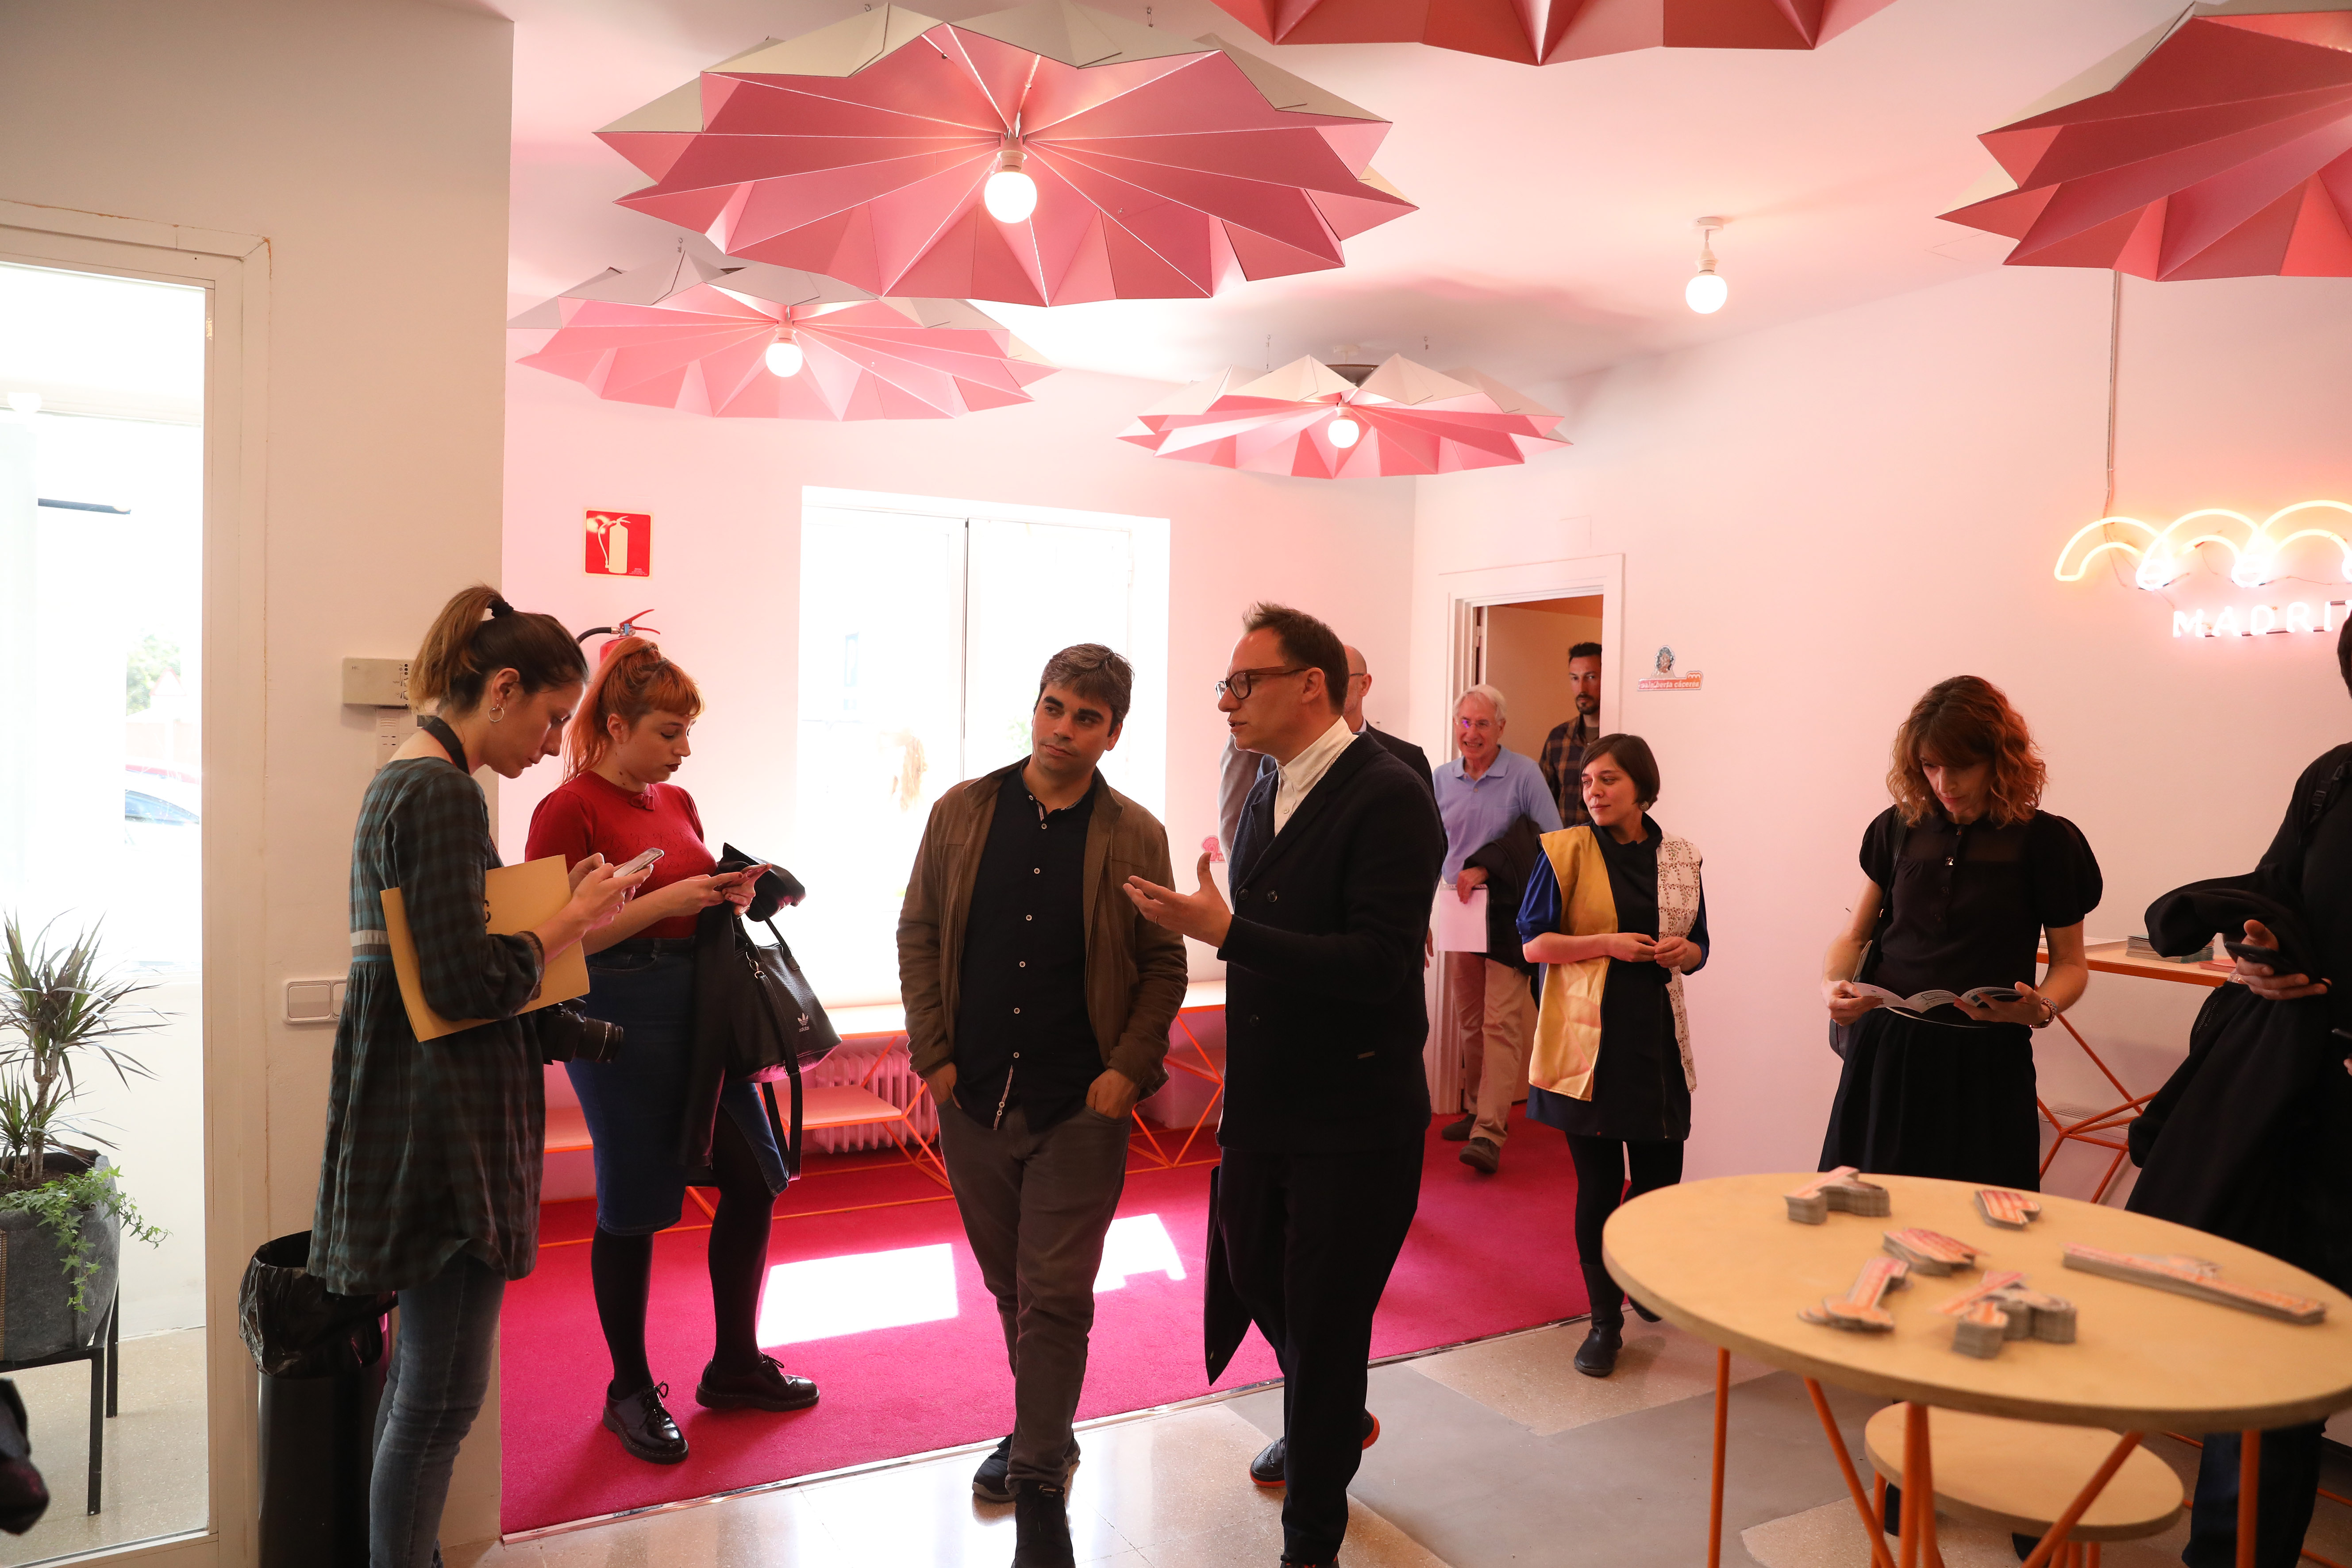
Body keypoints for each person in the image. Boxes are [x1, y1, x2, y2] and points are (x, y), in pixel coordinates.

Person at [311, 586, 646, 1568]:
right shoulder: (442, 792)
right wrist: (566, 923)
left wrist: (550, 923)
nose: (552, 742)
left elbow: (444, 956)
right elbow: (464, 984)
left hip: (416, 1107)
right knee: (439, 1396)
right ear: (502, 688)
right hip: (444, 1123)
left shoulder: (407, 779)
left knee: (423, 1389)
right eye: (549, 716)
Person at [1124, 603, 1445, 1568]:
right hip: (1265, 1102)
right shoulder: (1267, 782)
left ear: (1311, 685)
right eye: (1225, 684)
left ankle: (1310, 1539)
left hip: (1352, 1111)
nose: (1227, 700)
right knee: (1257, 1277)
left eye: (1244, 681)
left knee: (1325, 1318)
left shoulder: (1389, 793)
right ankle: (1331, 1413)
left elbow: (1378, 962)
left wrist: (1227, 932)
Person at [899, 644, 1188, 1568]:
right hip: (973, 1095)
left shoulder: (1135, 833)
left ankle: (1036, 1481)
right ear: (1034, 707)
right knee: (1011, 1287)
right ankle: (1046, 1432)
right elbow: (918, 930)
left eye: (1086, 718)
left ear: (1113, 733)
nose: (1063, 729)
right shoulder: (961, 810)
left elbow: (1163, 963)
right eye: (1054, 707)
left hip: (1079, 1103)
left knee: (1056, 1295)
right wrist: (934, 1058)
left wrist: (1128, 1069)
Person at [524, 637, 814, 1467]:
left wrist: (725, 894)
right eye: (668, 731)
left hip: (702, 1006)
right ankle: (628, 1388)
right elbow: (551, 946)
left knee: (754, 1179)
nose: (684, 749)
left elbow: (683, 898)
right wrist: (667, 902)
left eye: (688, 731)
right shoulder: (566, 809)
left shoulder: (677, 799)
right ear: (616, 726)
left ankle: (734, 1363)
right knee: (635, 1203)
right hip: (619, 1011)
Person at [2123, 619, 2352, 1568]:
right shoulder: (2333, 777)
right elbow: (2273, 890)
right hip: (2300, 1105)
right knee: (2265, 1351)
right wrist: (2250, 947)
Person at [1819, 676, 2100, 1189]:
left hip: (1986, 1060)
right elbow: (1853, 937)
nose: (1943, 783)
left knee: (1982, 1212)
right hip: (1887, 1053)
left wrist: (2041, 1008)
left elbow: (2069, 965)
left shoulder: (2048, 843)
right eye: (1930, 765)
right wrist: (1830, 988)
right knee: (1862, 1207)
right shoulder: (1896, 828)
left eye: (1960, 765)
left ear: (1999, 759)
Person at [1516, 734, 1708, 1376]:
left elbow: (1700, 945)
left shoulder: (1680, 856)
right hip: (1587, 1046)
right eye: (1587, 781)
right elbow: (1533, 945)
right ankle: (1604, 1323)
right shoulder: (1564, 850)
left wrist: (1685, 953)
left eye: (1608, 780)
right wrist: (1606, 943)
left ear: (1641, 788)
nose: (1593, 792)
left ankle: (1639, 1275)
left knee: (1658, 1185)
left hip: (1656, 1042)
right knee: (1598, 1187)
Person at [1433, 684, 1561, 1170]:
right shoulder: (1440, 779)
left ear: (1501, 728)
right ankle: (1475, 1108)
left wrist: (1490, 865)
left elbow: (1553, 841)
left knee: (1500, 1021)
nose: (1472, 733)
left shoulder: (1524, 773)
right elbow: (1428, 847)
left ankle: (1488, 1132)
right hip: (1458, 911)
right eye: (1464, 722)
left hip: (1508, 915)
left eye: (1482, 724)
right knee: (1469, 1020)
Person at [1218, 643, 1430, 861]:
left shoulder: (1405, 764)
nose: (1329, 687)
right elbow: (1244, 833)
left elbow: (1423, 851)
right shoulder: (1269, 768)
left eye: (1341, 676)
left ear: (1364, 684)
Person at [1538, 641, 1603, 828]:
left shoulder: (1621, 738)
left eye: (1591, 677)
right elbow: (1543, 802)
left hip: (1611, 844)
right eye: (1575, 678)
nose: (1582, 688)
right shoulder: (1558, 739)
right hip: (1566, 842)